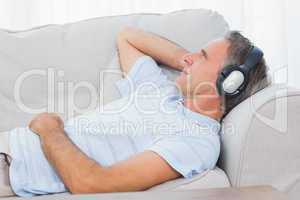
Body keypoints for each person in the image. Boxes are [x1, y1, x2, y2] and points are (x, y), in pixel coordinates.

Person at [0, 27, 269, 197]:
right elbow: (127, 37)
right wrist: (188, 62)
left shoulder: (196, 141)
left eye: (202, 56)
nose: (189, 58)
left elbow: (91, 184)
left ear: (230, 81)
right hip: (9, 141)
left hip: (12, 167)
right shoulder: (161, 91)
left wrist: (49, 129)